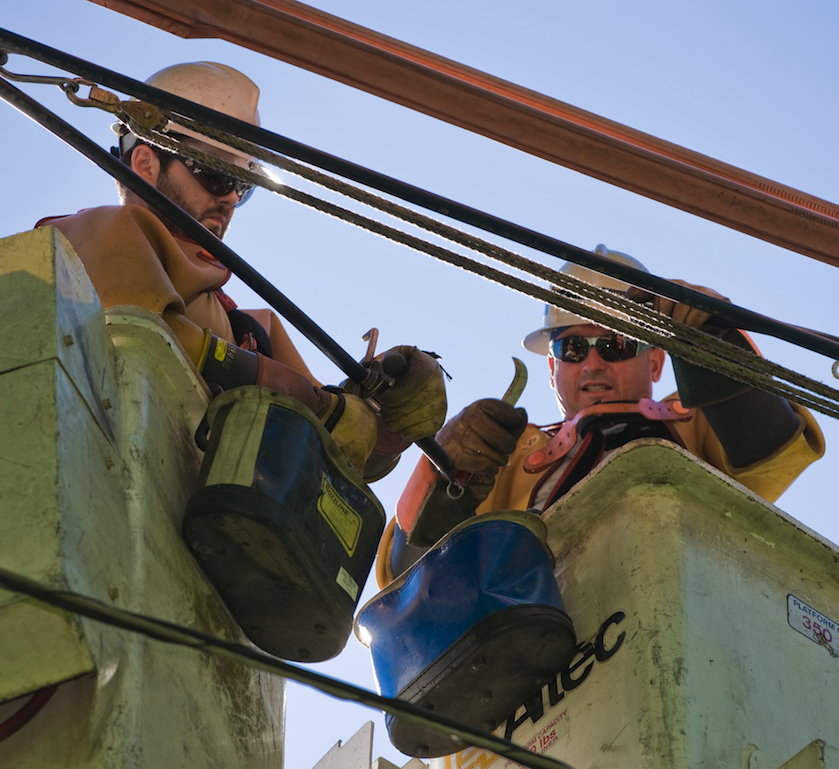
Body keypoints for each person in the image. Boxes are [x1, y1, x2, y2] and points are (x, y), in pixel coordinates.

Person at [35, 61, 446, 476]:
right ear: (146, 164)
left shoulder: (251, 329)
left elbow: (339, 453)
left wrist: (386, 425)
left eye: (242, 185)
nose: (231, 197)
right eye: (216, 174)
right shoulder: (89, 233)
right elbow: (137, 328)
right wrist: (301, 398)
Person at [378, 245, 825, 585]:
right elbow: (408, 579)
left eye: (615, 344)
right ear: (552, 371)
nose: (592, 364)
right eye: (572, 348)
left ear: (655, 361)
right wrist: (441, 475)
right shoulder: (505, 458)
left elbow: (771, 452)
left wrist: (717, 341)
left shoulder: (697, 419)